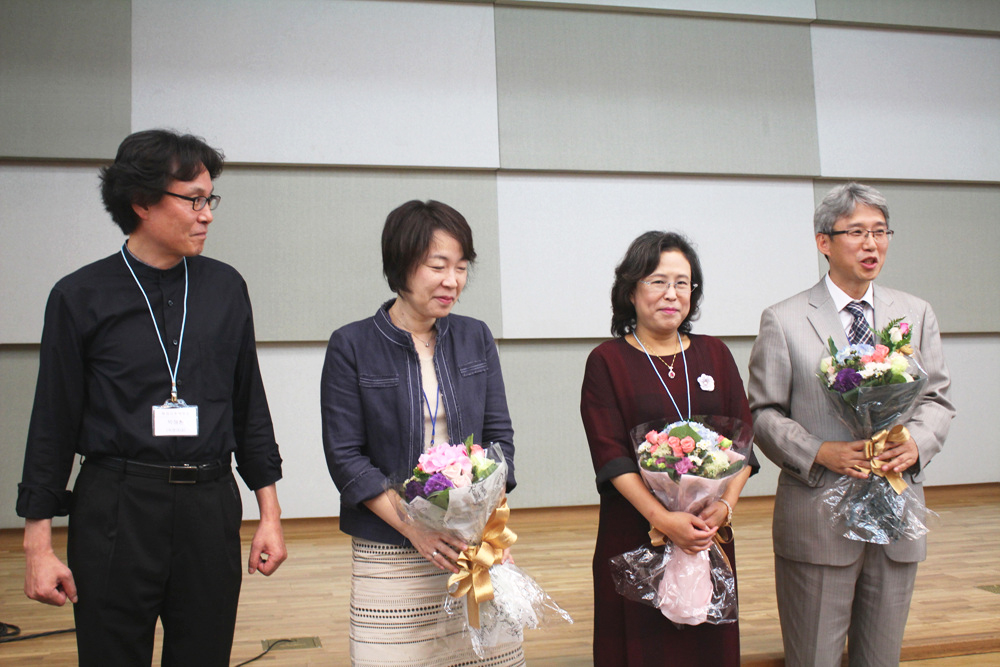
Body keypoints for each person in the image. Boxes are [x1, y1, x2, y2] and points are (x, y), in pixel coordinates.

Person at [16, 129, 287, 667]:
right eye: (193, 200)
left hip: (210, 506)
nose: (206, 215)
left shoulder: (225, 288)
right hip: (117, 506)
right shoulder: (79, 296)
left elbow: (249, 406)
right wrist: (37, 545)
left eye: (209, 200)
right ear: (141, 202)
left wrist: (270, 514)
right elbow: (52, 423)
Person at [748, 183, 955, 667]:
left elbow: (937, 398)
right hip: (819, 516)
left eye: (880, 232)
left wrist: (916, 443)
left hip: (897, 511)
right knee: (814, 657)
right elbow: (762, 413)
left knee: (881, 657)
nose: (872, 244)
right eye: (857, 232)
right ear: (824, 241)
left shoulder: (915, 312)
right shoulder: (784, 319)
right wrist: (819, 451)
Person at [320, 200, 522, 666]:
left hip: (470, 542)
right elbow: (346, 458)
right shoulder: (352, 345)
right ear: (402, 265)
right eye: (438, 266)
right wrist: (416, 529)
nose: (452, 281)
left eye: (461, 267)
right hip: (391, 546)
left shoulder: (475, 337)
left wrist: (482, 523)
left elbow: (499, 440)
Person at [581, 231, 759, 667]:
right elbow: (610, 455)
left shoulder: (715, 353)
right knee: (642, 648)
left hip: (707, 533)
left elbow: (744, 443)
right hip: (636, 532)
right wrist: (663, 519)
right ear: (631, 290)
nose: (671, 293)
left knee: (708, 648)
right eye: (658, 281)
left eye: (683, 283)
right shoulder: (607, 361)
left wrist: (725, 508)